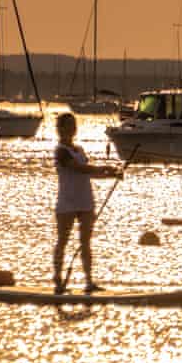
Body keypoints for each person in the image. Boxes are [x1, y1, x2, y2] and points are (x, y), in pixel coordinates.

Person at [53, 113, 121, 294]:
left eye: (73, 125)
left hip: (85, 202)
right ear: (60, 129)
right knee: (63, 241)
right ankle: (58, 280)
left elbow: (89, 173)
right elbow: (78, 168)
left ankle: (89, 282)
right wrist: (103, 168)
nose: (71, 129)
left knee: (85, 243)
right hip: (66, 203)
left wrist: (111, 174)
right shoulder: (60, 151)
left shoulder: (79, 150)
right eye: (67, 126)